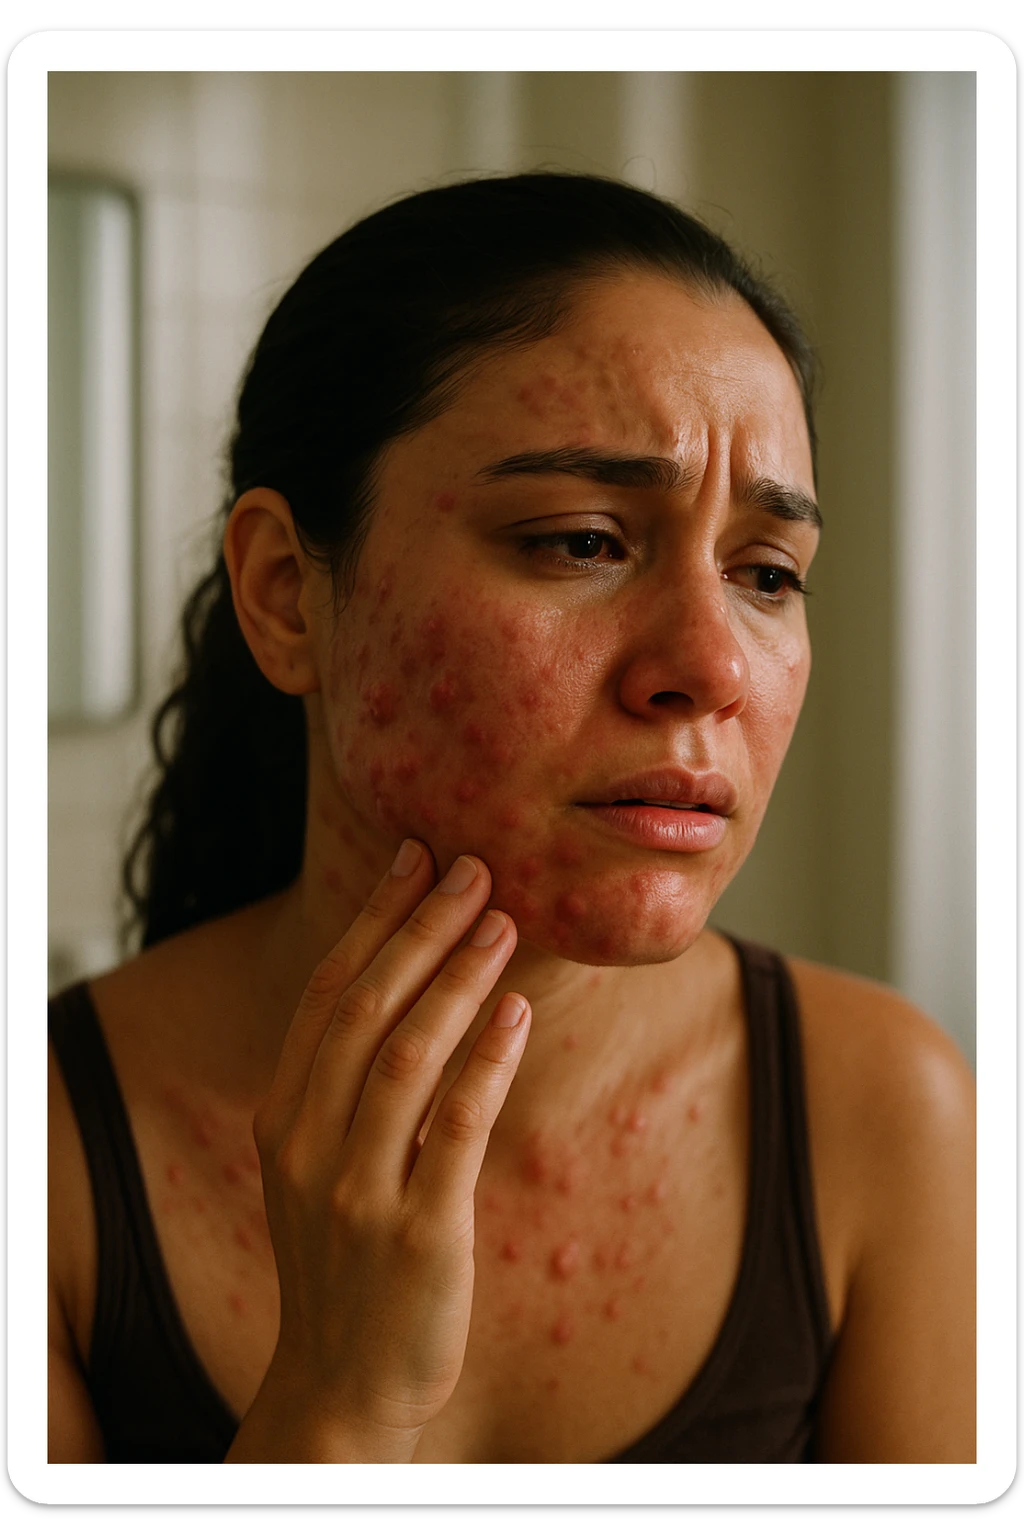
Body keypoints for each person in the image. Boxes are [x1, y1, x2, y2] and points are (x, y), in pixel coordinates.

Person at [47, 173, 975, 1465]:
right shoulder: (45, 1161)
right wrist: (333, 1403)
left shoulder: (885, 1112)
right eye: (582, 541)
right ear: (282, 595)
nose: (709, 665)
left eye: (767, 573)